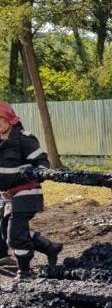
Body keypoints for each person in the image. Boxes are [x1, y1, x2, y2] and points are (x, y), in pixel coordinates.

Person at [0, 102, 62, 280]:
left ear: (9, 120)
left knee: (15, 236)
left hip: (27, 192)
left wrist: (34, 171)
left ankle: (25, 272)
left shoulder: (24, 139)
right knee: (7, 231)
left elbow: (43, 163)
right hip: (8, 196)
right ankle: (49, 247)